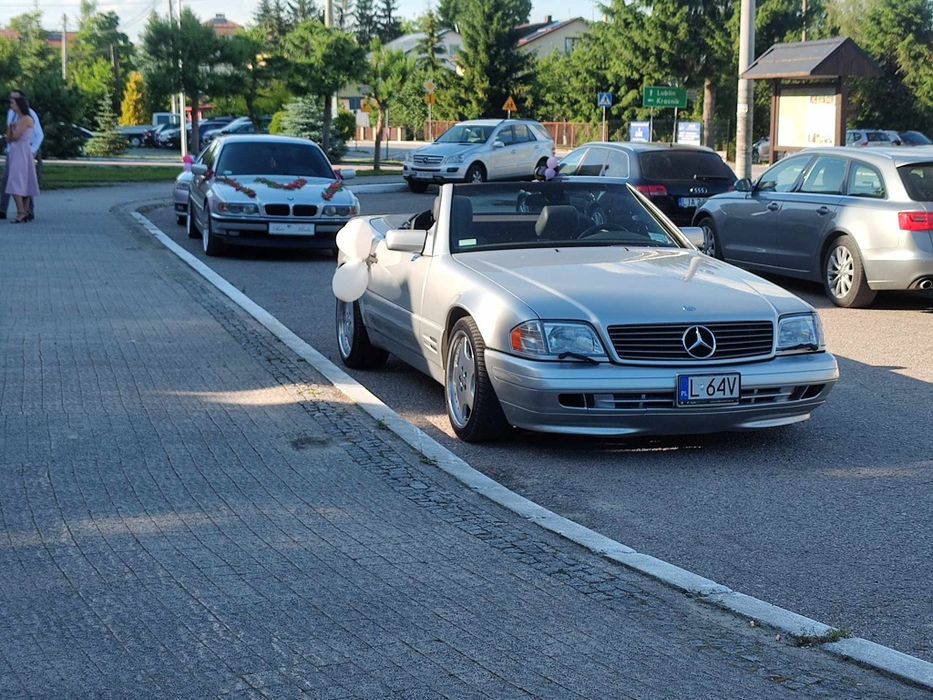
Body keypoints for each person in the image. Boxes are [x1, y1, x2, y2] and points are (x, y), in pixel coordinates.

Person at [1, 89, 43, 220]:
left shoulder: (29, 115)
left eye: (14, 99)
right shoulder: (11, 113)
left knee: (24, 180)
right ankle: (3, 209)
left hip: (27, 150)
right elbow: (10, 136)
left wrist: (33, 150)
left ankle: (26, 211)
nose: (11, 102)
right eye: (10, 99)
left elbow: (38, 134)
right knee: (8, 179)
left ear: (21, 101)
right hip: (13, 151)